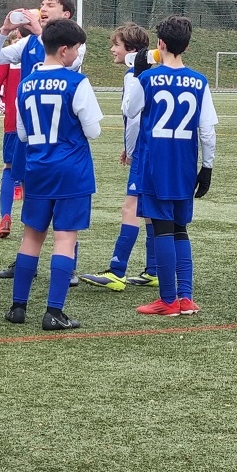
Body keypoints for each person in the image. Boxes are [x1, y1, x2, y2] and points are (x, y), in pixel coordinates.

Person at [4, 18, 103, 330]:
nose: (77, 54)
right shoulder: (77, 82)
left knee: (31, 237)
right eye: (76, 49)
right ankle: (54, 312)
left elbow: (22, 134)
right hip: (72, 170)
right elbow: (93, 131)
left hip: (37, 168)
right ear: (63, 50)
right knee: (65, 239)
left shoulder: (25, 83)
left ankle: (18, 307)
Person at [0, 0, 86, 280]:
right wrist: (4, 30)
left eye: (50, 5)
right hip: (30, 133)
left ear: (65, 14)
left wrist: (40, 32)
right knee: (30, 199)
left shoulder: (74, 42)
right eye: (41, 4)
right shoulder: (27, 42)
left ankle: (68, 265)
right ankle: (26, 261)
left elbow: (70, 65)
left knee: (64, 204)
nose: (42, 8)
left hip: (61, 137)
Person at [122, 16, 217, 317]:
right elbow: (207, 130)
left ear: (160, 44)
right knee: (180, 228)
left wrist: (137, 73)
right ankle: (185, 297)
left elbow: (129, 109)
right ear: (186, 46)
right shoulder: (199, 81)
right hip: (185, 165)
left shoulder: (149, 78)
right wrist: (207, 167)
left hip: (155, 163)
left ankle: (167, 300)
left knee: (162, 228)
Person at [79, 22, 158, 290]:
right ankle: (154, 270)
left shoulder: (134, 75)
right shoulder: (153, 73)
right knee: (149, 211)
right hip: (155, 150)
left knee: (130, 207)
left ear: (132, 50)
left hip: (145, 152)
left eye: (116, 45)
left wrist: (133, 150)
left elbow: (133, 117)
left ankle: (117, 270)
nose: (112, 50)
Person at [0, 30, 24, 240]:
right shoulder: (44, 53)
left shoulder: (9, 57)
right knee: (34, 171)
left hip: (14, 123)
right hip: (40, 124)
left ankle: (5, 217)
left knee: (9, 168)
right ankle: (33, 221)